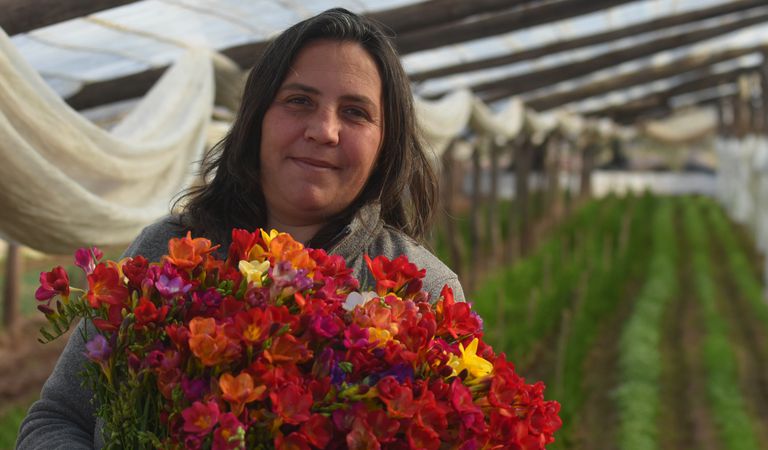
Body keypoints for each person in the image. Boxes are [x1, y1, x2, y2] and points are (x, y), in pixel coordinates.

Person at [16, 7, 464, 449]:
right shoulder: (167, 252)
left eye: (355, 112)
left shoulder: (423, 290)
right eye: (299, 101)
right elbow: (57, 419)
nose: (324, 130)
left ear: (386, 142)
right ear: (257, 120)